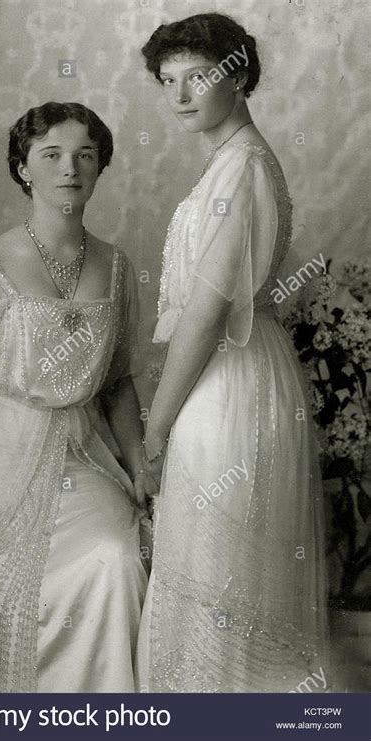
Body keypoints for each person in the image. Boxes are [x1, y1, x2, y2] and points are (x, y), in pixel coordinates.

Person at [0, 101, 156, 692]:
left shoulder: (118, 268)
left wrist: (139, 466)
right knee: (4, 582)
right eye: (51, 155)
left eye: (84, 155)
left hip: (82, 454)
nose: (69, 168)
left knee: (115, 559)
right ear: (23, 168)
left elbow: (118, 381)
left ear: (100, 168)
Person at [136, 13, 331, 692]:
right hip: (240, 376)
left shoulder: (241, 168)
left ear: (239, 75)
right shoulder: (234, 163)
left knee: (220, 578)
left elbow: (205, 311)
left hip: (229, 382)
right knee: (220, 579)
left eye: (198, 77)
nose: (181, 95)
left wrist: (154, 429)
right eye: (168, 82)